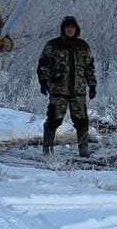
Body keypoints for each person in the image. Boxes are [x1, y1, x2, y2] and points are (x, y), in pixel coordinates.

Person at [37, 16, 98, 157]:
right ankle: (47, 149)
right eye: (67, 27)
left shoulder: (82, 46)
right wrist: (43, 81)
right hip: (59, 89)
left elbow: (89, 67)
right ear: (63, 29)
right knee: (53, 119)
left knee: (82, 121)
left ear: (76, 29)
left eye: (73, 27)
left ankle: (84, 150)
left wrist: (92, 85)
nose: (70, 29)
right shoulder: (53, 45)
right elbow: (44, 64)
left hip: (78, 90)